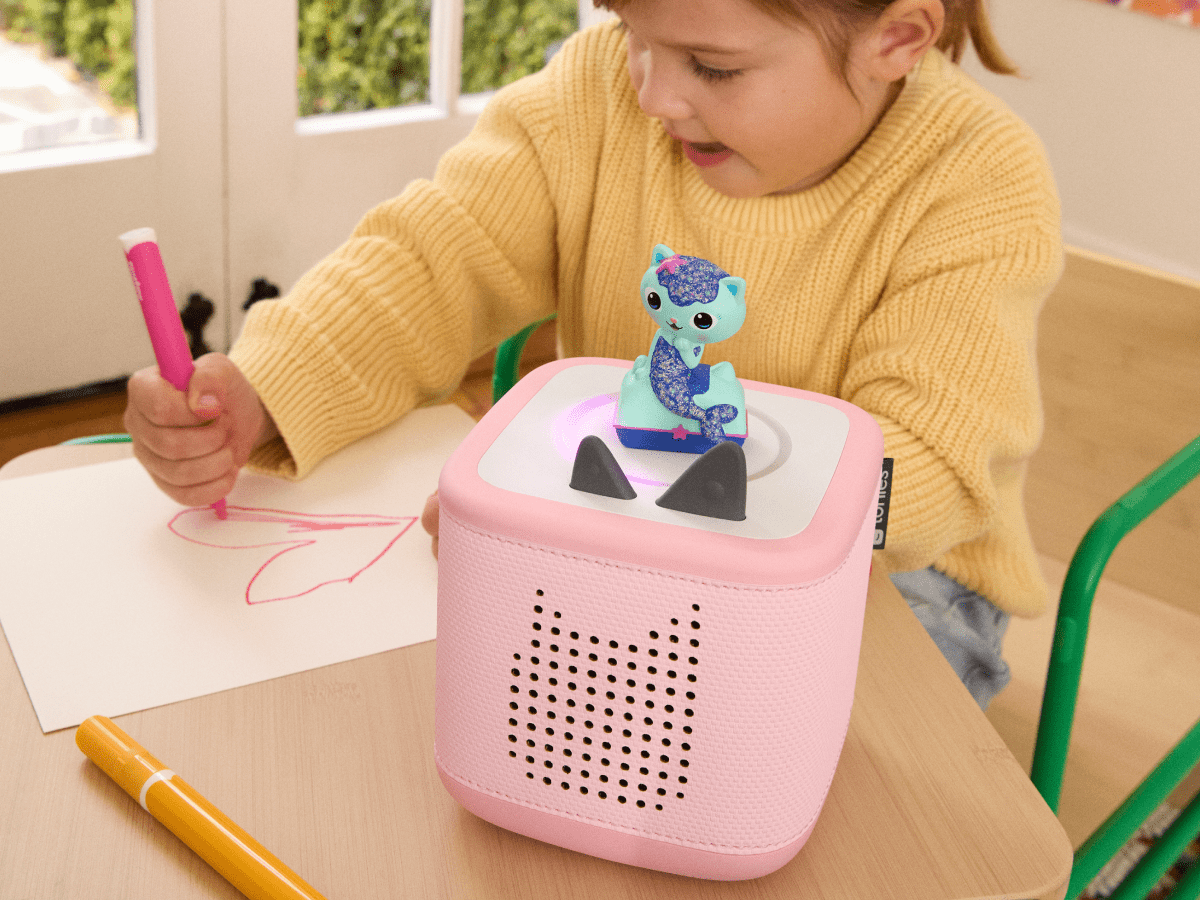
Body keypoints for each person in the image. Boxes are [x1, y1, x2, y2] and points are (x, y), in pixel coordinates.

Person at [123, 0, 1063, 709]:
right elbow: (433, 257)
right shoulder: (597, 96)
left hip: (896, 580)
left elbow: (922, 471)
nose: (653, 93)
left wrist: (589, 523)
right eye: (631, 30)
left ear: (896, 39)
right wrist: (266, 383)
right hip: (610, 546)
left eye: (710, 65)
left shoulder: (980, 177)